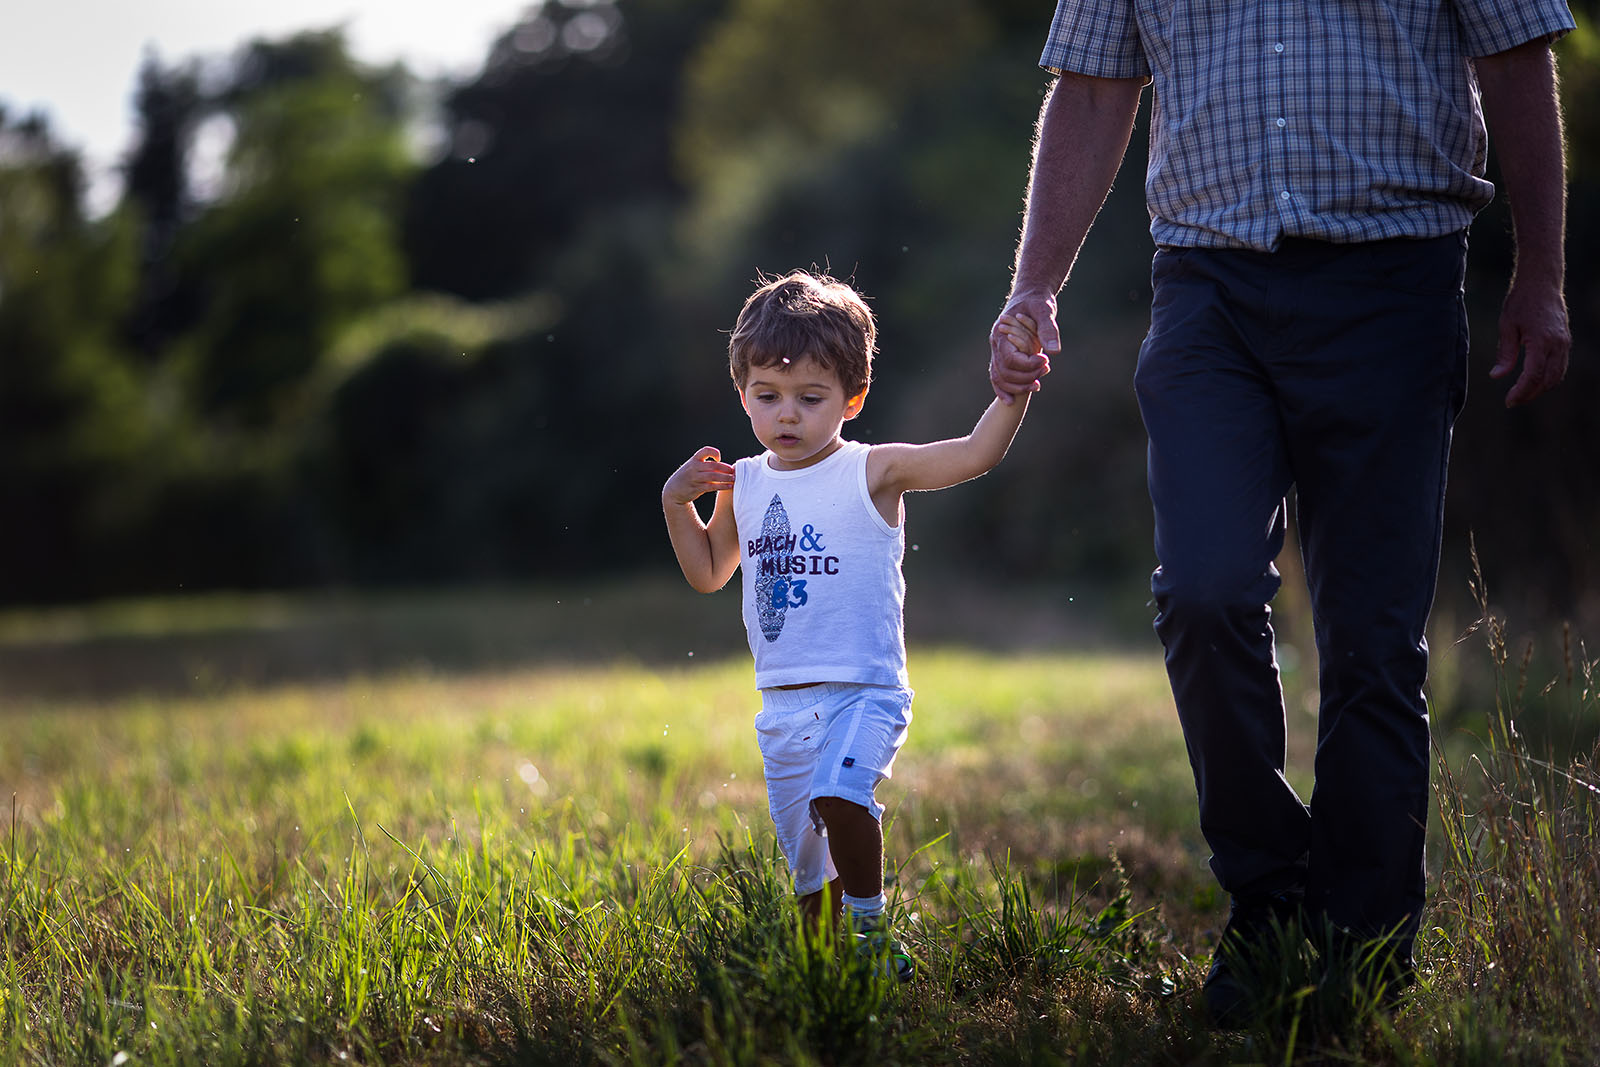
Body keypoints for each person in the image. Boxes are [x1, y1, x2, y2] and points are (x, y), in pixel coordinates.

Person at [988, 0, 1575, 1027]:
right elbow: (1088, 86)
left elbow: (1516, 56)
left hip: (1396, 276)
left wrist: (1541, 271)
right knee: (1204, 591)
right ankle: (1267, 902)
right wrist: (1033, 287)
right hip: (1207, 287)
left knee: (1372, 643)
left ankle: (1360, 945)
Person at [664, 270, 1033, 978]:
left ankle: (873, 930)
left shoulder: (874, 470)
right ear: (742, 393)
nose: (787, 416)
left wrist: (1013, 390)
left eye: (810, 397)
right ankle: (840, 961)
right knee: (811, 893)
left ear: (852, 398)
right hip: (782, 704)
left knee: (842, 795)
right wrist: (676, 505)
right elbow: (710, 570)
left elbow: (974, 453)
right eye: (767, 397)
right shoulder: (745, 481)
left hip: (864, 689)